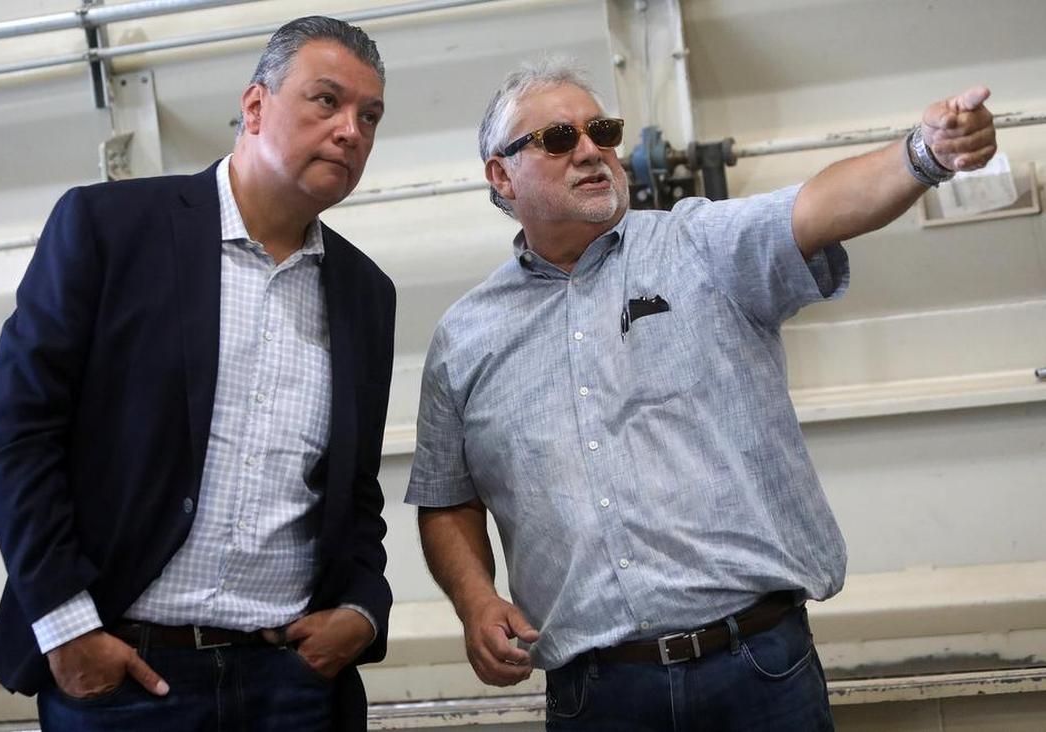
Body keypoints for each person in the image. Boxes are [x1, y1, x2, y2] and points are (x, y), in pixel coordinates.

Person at [405, 57, 996, 730]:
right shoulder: (464, 338)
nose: (593, 150)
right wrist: (475, 600)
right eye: (560, 139)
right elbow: (448, 496)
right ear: (501, 174)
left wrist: (925, 154)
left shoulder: (697, 245)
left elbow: (819, 206)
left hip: (756, 669)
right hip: (597, 693)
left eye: (601, 129)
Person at [0, 16, 395, 731]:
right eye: (326, 100)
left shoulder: (365, 292)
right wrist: (66, 626)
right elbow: (19, 435)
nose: (351, 129)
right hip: (128, 680)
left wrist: (363, 608)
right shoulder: (109, 229)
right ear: (256, 106)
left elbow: (351, 491)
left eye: (370, 115)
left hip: (290, 682)